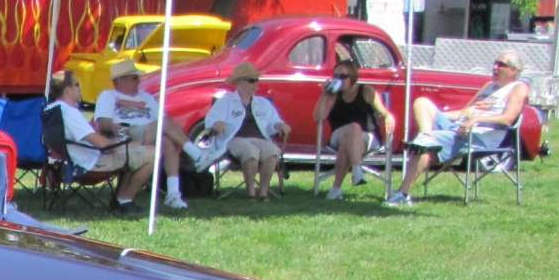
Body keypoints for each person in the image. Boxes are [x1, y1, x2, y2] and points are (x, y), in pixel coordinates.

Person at [388, 51, 529, 206]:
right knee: (422, 103)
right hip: (459, 127)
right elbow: (465, 112)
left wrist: (476, 119)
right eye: (495, 63)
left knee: (425, 149)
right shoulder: (489, 86)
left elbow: (508, 119)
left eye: (501, 64)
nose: (495, 67)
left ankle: (402, 192)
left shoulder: (518, 88)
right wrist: (438, 115)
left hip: (478, 136)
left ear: (514, 70)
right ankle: (426, 137)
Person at [44, 71, 158, 214]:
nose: (80, 89)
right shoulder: (69, 113)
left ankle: (120, 199)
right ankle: (125, 200)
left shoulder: (51, 109)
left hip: (71, 160)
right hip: (91, 164)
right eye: (77, 85)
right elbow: (100, 143)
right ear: (67, 90)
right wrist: (121, 141)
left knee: (135, 150)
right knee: (153, 153)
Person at [92, 59, 190, 209]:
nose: (139, 81)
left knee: (168, 141)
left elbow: (164, 120)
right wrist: (115, 127)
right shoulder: (108, 95)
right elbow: (102, 123)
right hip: (126, 133)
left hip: (150, 132)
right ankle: (196, 154)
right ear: (120, 80)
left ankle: (173, 194)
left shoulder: (147, 97)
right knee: (163, 125)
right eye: (135, 78)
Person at [191, 62, 290, 200]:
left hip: (260, 139)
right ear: (239, 82)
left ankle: (263, 193)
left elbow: (272, 123)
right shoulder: (225, 102)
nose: (256, 84)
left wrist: (279, 125)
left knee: (272, 152)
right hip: (234, 139)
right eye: (251, 80)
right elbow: (211, 120)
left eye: (256, 80)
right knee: (250, 152)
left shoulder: (263, 103)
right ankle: (251, 192)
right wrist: (216, 124)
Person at [313, 60, 396, 200]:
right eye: (335, 76)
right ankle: (357, 169)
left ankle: (335, 189)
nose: (338, 79)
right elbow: (318, 118)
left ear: (352, 78)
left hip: (367, 137)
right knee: (353, 127)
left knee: (349, 139)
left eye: (342, 76)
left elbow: (383, 111)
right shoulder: (333, 94)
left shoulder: (366, 91)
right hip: (337, 135)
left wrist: (388, 116)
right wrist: (324, 95)